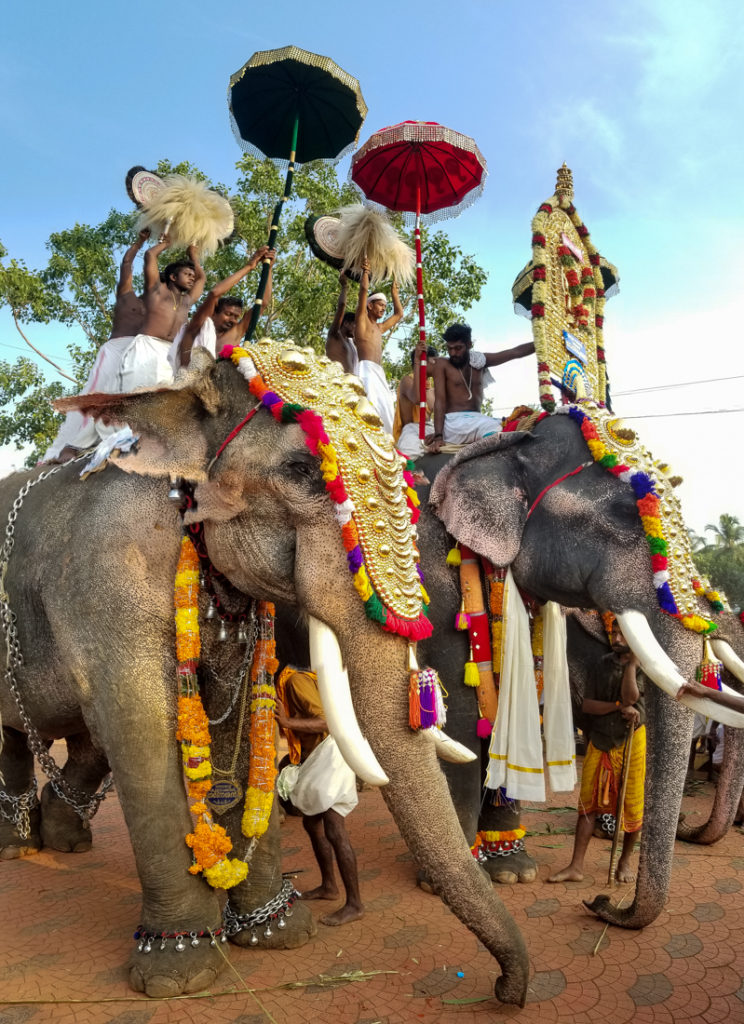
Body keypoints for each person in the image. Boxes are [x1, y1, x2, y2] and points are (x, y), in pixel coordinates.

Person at [549, 624, 646, 884]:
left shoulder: (645, 665)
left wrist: (632, 666)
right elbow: (590, 705)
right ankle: (575, 867)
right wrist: (618, 707)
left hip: (631, 741)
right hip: (601, 739)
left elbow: (633, 697)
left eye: (622, 634)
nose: (615, 639)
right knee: (586, 804)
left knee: (632, 804)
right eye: (614, 633)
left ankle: (624, 863)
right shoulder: (600, 663)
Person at [44, 229, 152, 462]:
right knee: (92, 398)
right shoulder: (126, 296)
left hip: (136, 356)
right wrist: (140, 242)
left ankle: (115, 445)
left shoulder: (158, 309)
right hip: (114, 351)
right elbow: (126, 263)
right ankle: (61, 450)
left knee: (123, 403)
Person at [275, 666, 364, 927]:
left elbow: (327, 722)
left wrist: (287, 723)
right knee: (311, 822)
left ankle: (355, 904)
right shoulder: (297, 678)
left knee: (334, 827)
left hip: (330, 755)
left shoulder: (295, 680)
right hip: (317, 757)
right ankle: (329, 886)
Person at [423, 323, 535, 455]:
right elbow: (439, 401)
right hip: (454, 423)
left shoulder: (479, 360)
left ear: (469, 344)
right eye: (450, 348)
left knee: (518, 422)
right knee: (495, 430)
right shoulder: (442, 364)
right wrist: (438, 436)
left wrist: (540, 342)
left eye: (458, 348)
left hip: (478, 420)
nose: (453, 353)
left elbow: (514, 352)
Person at [117, 235, 205, 392]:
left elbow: (201, 278)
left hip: (171, 353)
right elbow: (150, 255)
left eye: (192, 276)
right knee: (133, 397)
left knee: (159, 403)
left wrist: (193, 254)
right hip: (147, 347)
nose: (192, 278)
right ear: (173, 277)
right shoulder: (156, 291)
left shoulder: (187, 301)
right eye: (187, 274)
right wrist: (166, 243)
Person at [170, 247, 276, 369]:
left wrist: (269, 269)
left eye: (236, 317)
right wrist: (249, 266)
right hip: (186, 384)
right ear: (214, 313)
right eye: (228, 314)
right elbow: (214, 293)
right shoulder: (196, 327)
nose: (232, 320)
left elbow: (262, 304)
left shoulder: (235, 333)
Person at [353, 259, 404, 433]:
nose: (383, 309)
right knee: (367, 410)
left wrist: (394, 294)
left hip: (379, 373)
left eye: (385, 306)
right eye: (381, 305)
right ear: (370, 305)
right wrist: (366, 272)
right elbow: (363, 291)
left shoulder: (380, 328)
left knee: (386, 412)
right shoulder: (362, 320)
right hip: (365, 370)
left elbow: (399, 314)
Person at [393, 340, 438, 453]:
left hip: (429, 432)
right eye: (434, 361)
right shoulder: (406, 381)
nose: (436, 364)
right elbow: (418, 399)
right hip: (411, 434)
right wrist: (418, 361)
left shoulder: (433, 390)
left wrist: (437, 435)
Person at [325, 271, 359, 374]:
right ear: (346, 323)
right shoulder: (334, 335)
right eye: (354, 325)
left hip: (349, 385)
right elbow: (342, 306)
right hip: (335, 382)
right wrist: (344, 286)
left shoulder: (351, 342)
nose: (356, 329)